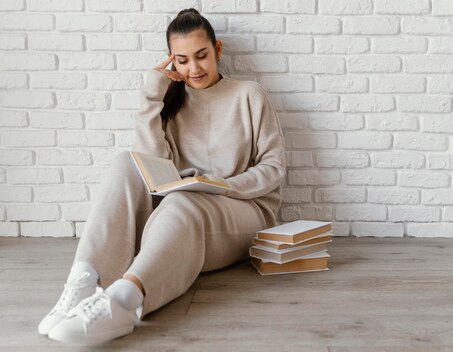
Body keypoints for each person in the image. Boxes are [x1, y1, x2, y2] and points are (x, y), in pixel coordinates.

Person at [37, 8, 286, 345]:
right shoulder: (172, 103)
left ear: (218, 50)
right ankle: (84, 280)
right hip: (181, 215)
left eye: (201, 56)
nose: (193, 68)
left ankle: (124, 300)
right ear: (171, 63)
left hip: (242, 213)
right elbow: (151, 167)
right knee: (127, 161)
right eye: (181, 61)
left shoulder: (249, 94)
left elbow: (273, 169)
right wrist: (153, 94)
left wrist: (222, 186)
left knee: (184, 199)